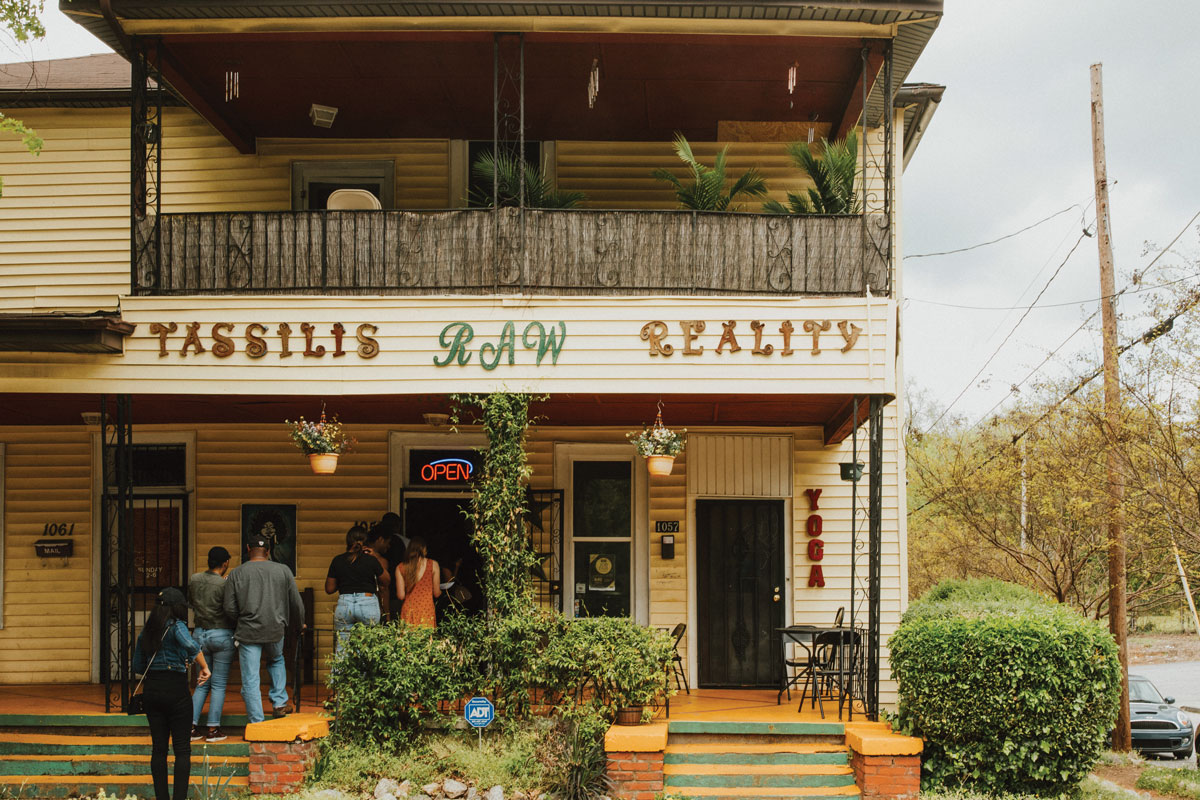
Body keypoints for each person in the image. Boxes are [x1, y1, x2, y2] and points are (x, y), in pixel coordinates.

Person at [133, 587, 210, 800]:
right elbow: (191, 645)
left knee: (159, 749)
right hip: (175, 689)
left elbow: (138, 665)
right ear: (176, 607)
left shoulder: (146, 631)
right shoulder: (177, 626)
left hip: (152, 689)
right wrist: (204, 667)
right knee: (182, 749)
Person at [223, 533, 305, 724]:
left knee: (251, 678)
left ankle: (257, 721)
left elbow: (228, 607)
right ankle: (279, 703)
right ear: (268, 551)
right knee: (276, 660)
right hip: (275, 629)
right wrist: (299, 623)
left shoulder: (237, 573)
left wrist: (240, 620)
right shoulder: (283, 570)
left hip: (248, 631)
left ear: (248, 549)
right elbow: (296, 602)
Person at [188, 545, 235, 742]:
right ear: (225, 564)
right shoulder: (225, 584)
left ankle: (190, 726)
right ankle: (213, 729)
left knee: (202, 682)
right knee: (218, 684)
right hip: (221, 634)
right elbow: (231, 609)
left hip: (199, 634)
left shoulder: (194, 579)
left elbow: (191, 603)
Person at [325, 524, 389, 651]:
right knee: (368, 651)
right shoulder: (371, 560)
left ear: (348, 542)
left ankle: (340, 671)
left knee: (342, 650)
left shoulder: (337, 560)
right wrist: (375, 556)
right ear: (366, 542)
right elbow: (386, 581)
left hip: (345, 604)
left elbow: (329, 588)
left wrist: (343, 579)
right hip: (367, 603)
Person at [396, 537, 440, 628]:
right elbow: (436, 593)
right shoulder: (433, 564)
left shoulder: (400, 567)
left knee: (409, 641)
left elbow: (401, 596)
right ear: (423, 549)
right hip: (426, 610)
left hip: (409, 611)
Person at [375, 512, 408, 620]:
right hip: (396, 590)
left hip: (376, 593)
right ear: (398, 526)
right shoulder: (405, 542)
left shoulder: (375, 546)